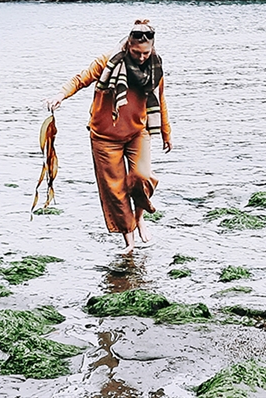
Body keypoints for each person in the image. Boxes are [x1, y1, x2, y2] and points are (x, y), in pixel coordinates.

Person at [46, 19, 172, 254]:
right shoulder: (108, 62)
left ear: (152, 48)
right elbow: (81, 79)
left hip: (138, 131)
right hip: (104, 137)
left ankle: (139, 216)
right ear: (128, 46)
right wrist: (60, 95)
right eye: (136, 52)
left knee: (141, 176)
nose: (141, 57)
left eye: (146, 52)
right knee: (115, 190)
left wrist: (166, 132)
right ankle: (129, 241)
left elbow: (160, 100)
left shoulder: (154, 68)